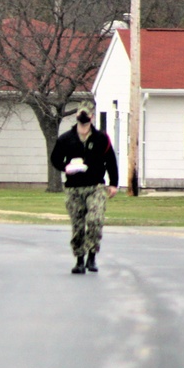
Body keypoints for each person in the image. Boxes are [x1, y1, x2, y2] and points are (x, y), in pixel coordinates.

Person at [49, 100, 119, 274]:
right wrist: (66, 167)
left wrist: (113, 184)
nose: (84, 117)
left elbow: (110, 161)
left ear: (92, 117)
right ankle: (79, 259)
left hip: (95, 186)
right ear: (76, 115)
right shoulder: (66, 139)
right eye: (81, 113)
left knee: (95, 220)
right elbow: (55, 159)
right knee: (78, 225)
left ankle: (92, 257)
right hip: (74, 188)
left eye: (87, 114)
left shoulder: (101, 139)